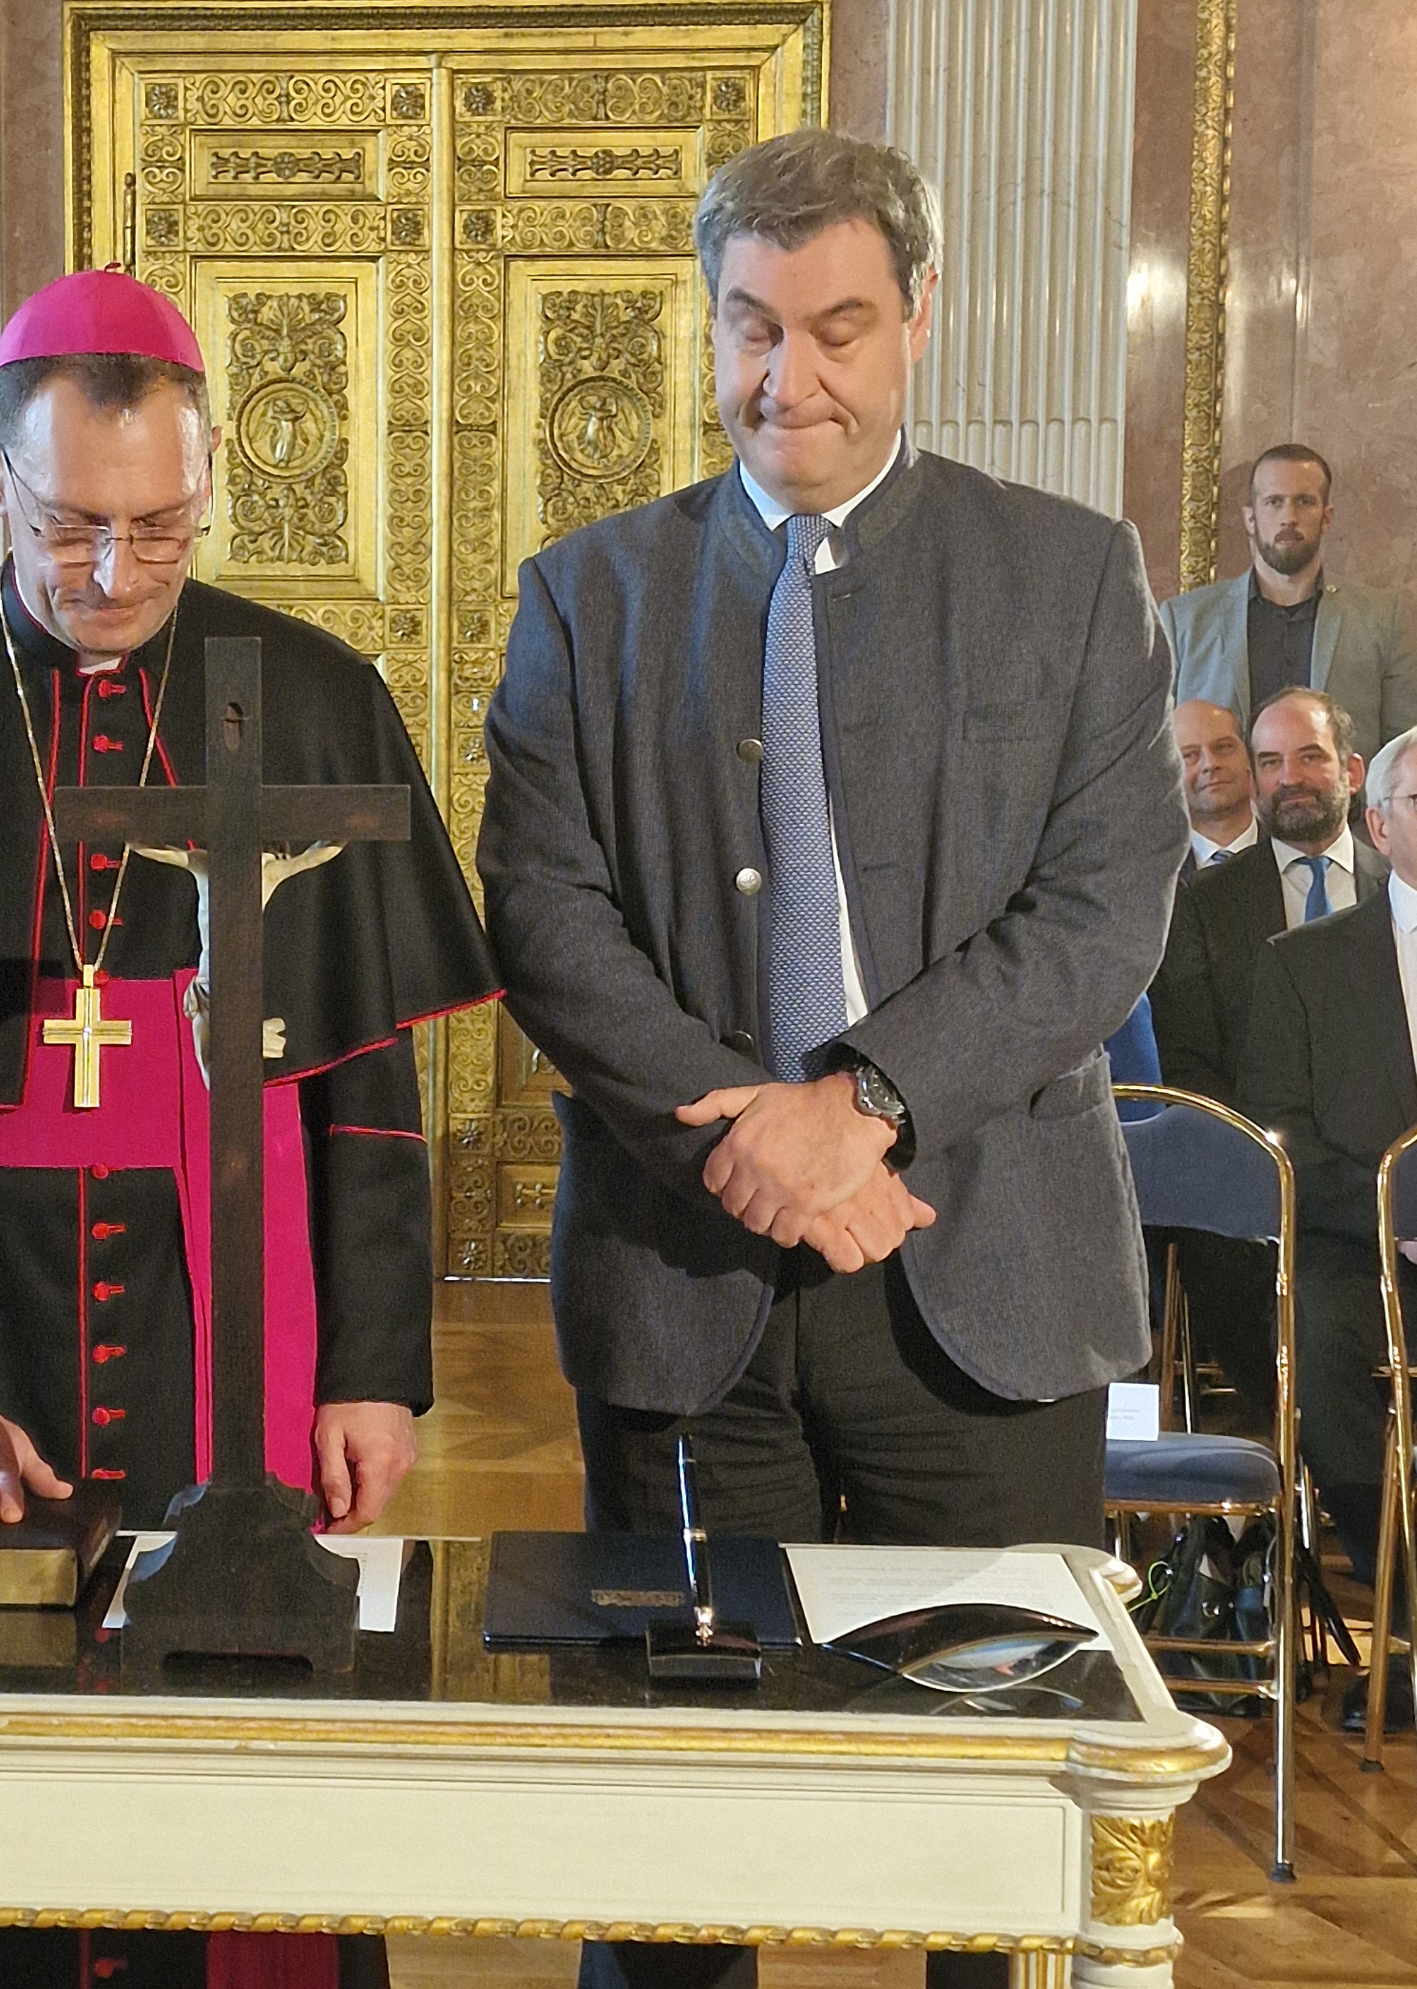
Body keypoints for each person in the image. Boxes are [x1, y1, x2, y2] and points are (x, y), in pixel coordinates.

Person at [0, 268, 496, 1989]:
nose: (114, 576)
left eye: (158, 529)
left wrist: (370, 1365)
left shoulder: (314, 688)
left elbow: (358, 1081)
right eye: (67, 527)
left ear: (205, 492)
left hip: (231, 1319)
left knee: (240, 1779)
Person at [476, 128, 1184, 1989]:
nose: (790, 378)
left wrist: (857, 1106)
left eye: (840, 327)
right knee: (681, 1823)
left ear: (921, 317)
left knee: (1006, 1820)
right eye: (752, 327)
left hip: (987, 1275)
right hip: (685, 1284)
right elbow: (545, 920)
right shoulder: (585, 596)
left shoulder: (1069, 574)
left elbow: (1104, 910)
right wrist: (757, 1141)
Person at [1240, 725, 1417, 1725]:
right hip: (1361, 1249)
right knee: (1311, 1331)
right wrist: (1396, 1213)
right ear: (1378, 823)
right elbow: (1281, 1138)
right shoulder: (1302, 964)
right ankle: (1409, 1629)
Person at [1150, 688, 1386, 1107]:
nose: (1290, 778)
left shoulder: (1400, 883)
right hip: (1260, 1153)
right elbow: (1188, 1059)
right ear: (1254, 780)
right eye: (1270, 762)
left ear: (1352, 772)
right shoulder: (1200, 903)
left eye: (1310, 757)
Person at [1164, 444, 1417, 767]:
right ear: (1250, 518)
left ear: (1327, 518)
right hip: (1224, 815)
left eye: (1305, 502)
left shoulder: (1383, 619)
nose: (1289, 517)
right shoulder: (1183, 620)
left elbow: (1405, 753)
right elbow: (1157, 745)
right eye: (1274, 502)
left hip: (1343, 814)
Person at [1175, 698, 1257, 875]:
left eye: (1223, 747)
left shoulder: (1290, 849)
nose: (1210, 764)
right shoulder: (1150, 869)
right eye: (1189, 755)